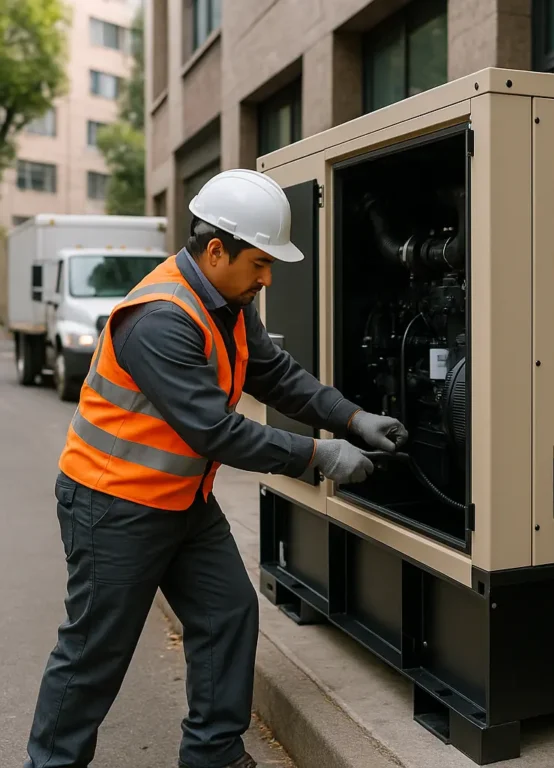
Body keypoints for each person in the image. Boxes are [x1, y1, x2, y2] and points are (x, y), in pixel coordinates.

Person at [23, 169, 408, 768]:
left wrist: (352, 418)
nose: (267, 277)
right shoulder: (159, 319)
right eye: (260, 263)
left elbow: (274, 373)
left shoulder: (227, 302)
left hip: (181, 499)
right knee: (94, 653)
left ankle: (213, 755)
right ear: (215, 251)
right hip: (114, 506)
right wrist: (320, 456)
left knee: (227, 612)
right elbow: (216, 431)